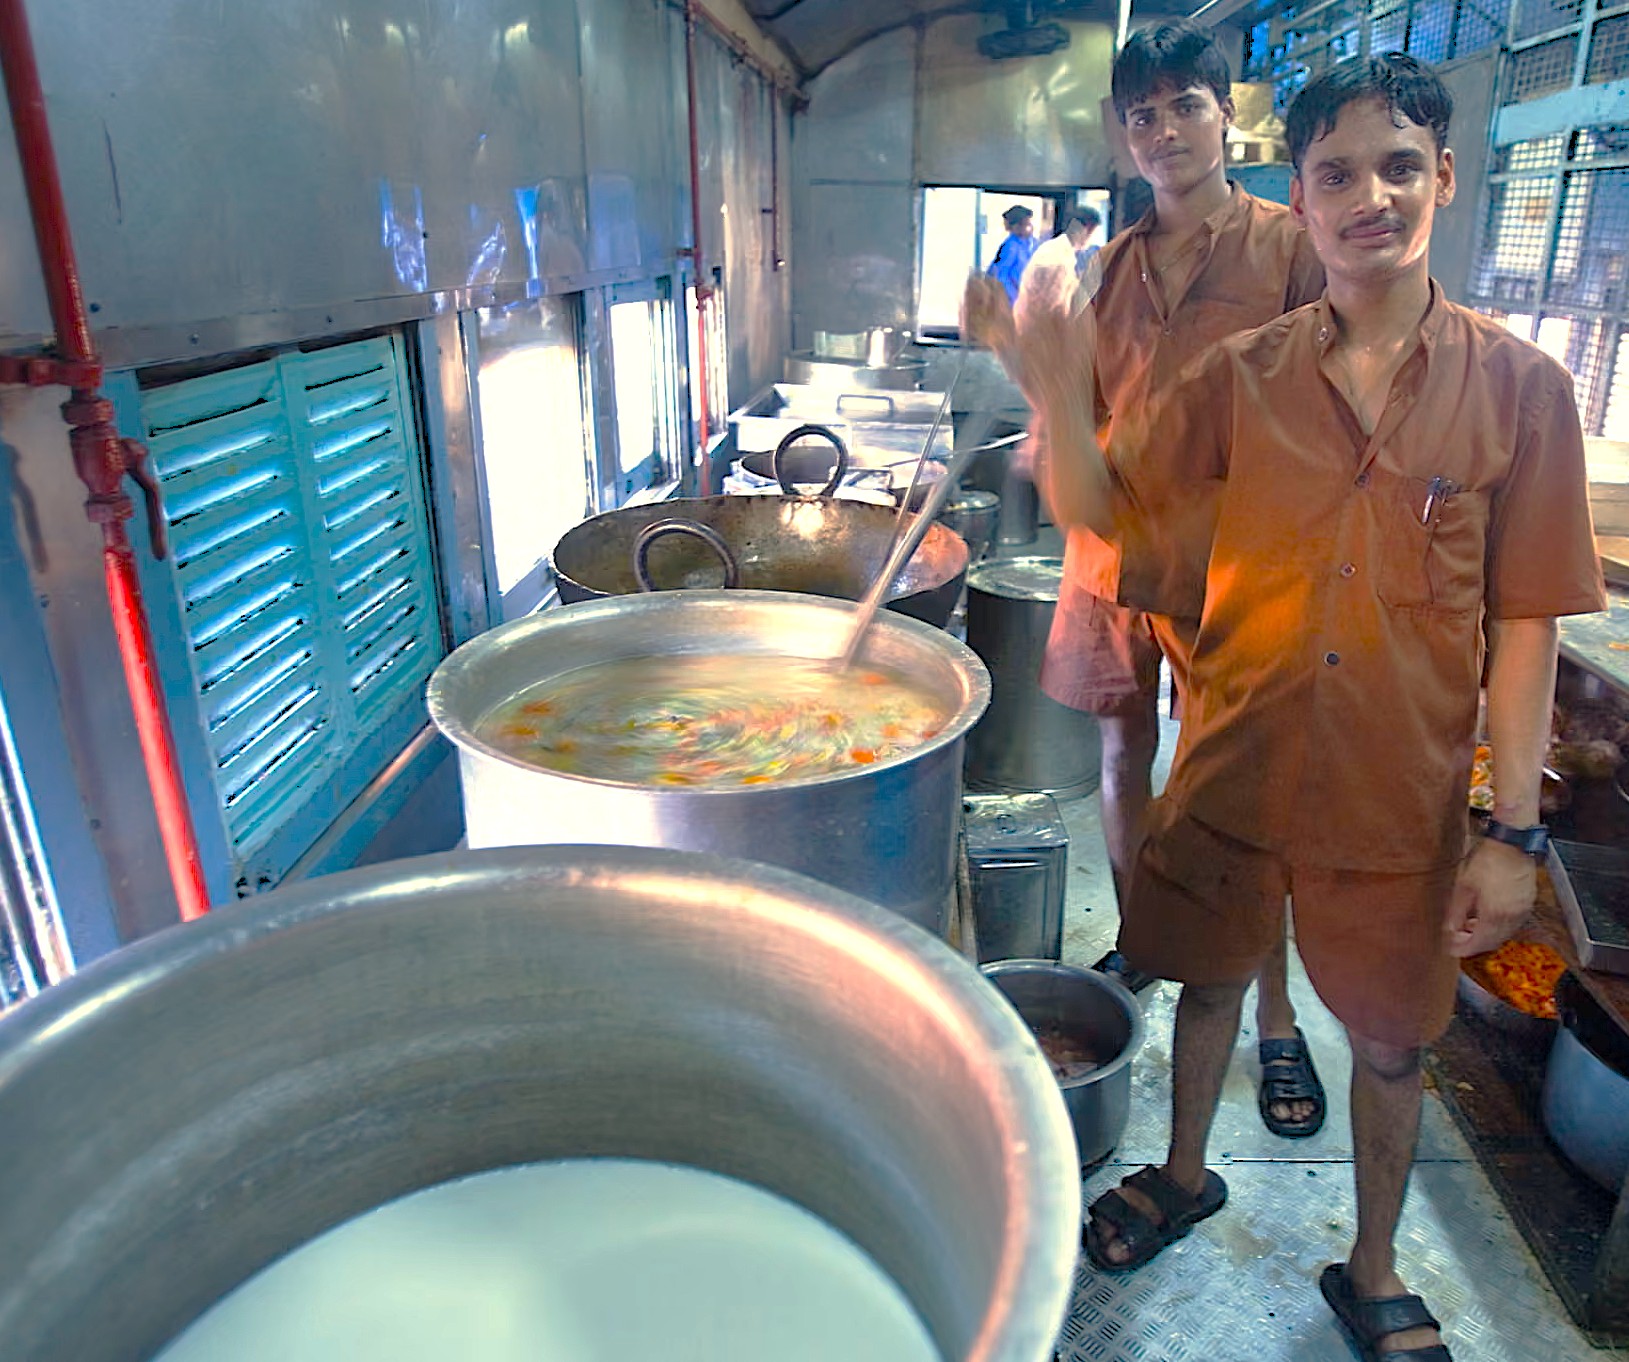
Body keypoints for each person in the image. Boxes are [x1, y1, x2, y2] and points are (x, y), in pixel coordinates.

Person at [1007, 54, 1604, 1361]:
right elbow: (1109, 501)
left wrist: (1511, 835)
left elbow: (1524, 630)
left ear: (1445, 179)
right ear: (1303, 189)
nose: (1367, 196)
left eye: (1400, 165)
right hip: (1236, 751)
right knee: (1206, 981)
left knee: (1391, 1046)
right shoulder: (1242, 377)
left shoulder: (1521, 392)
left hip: (1398, 784)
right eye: (1336, 171)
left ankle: (1375, 1262)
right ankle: (1179, 1172)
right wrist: (1049, 385)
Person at [967, 18, 1330, 1141]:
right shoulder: (1105, 271)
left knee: (1241, 795)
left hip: (1242, 564)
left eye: (1185, 106)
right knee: (1122, 754)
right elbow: (1077, 420)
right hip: (1117, 554)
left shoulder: (1290, 250)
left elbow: (1326, 406)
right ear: (1124, 139)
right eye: (1142, 114)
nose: (1163, 130)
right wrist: (1029, 363)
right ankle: (1149, 939)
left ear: (1228, 117)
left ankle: (1275, 1017)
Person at [986, 204, 1038, 303]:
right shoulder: (1011, 246)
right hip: (1014, 303)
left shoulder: (1033, 244)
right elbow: (1000, 276)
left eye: (1030, 222)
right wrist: (1018, 298)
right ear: (1016, 226)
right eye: (1026, 223)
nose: (1030, 227)